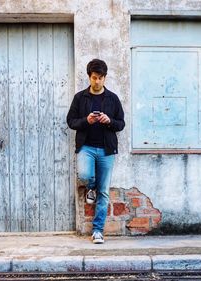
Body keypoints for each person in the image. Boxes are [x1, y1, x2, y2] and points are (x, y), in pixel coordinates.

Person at [66, 59, 125, 244]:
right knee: (85, 175)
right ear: (89, 77)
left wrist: (109, 121)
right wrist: (86, 121)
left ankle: (98, 231)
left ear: (105, 78)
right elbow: (71, 121)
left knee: (104, 192)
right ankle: (90, 187)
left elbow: (121, 124)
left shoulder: (113, 98)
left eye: (100, 78)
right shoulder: (79, 98)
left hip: (107, 150)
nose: (97, 81)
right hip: (86, 147)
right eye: (94, 78)